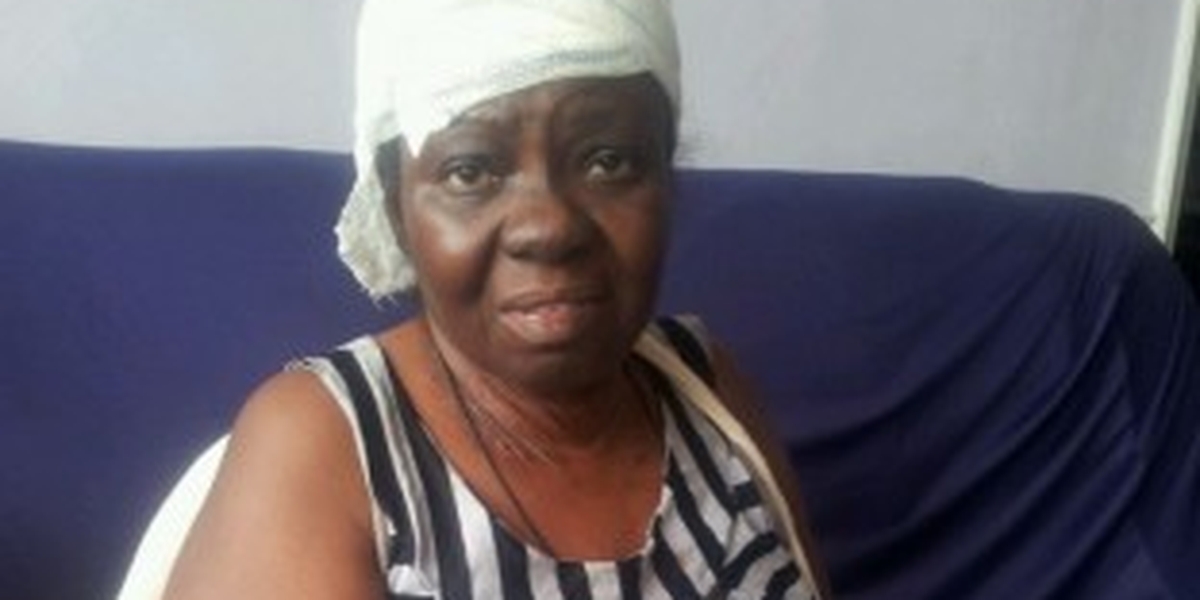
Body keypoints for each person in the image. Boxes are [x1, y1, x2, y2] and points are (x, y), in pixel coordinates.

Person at [160, 0, 828, 597]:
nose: (550, 227)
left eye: (608, 160)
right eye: (470, 170)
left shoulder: (707, 387)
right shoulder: (320, 446)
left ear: (666, 181)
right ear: (397, 210)